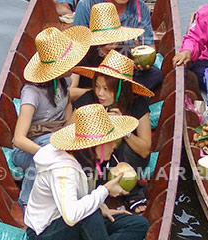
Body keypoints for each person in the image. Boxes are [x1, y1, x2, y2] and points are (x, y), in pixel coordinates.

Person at [23, 103, 150, 240]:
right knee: (90, 214)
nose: (114, 145)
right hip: (45, 231)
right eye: (110, 141)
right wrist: (105, 190)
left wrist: (102, 207)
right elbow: (71, 216)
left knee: (138, 224)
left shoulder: (87, 159)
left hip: (75, 223)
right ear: (94, 146)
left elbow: (85, 194)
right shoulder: (63, 170)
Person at [12, 25, 92, 208]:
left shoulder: (65, 81)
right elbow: (19, 139)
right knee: (50, 149)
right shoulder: (32, 94)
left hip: (55, 139)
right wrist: (50, 152)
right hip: (28, 150)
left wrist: (69, 136)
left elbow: (67, 106)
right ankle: (26, 200)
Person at [72, 50, 154, 214]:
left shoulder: (137, 104)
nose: (100, 93)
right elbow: (69, 136)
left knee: (125, 147)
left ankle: (132, 192)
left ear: (120, 90)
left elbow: (145, 150)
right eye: (97, 87)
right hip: (95, 162)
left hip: (125, 162)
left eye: (106, 89)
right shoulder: (89, 100)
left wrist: (124, 129)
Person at [73, 0, 163, 91]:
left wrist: (143, 62)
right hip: (95, 61)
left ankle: (115, 93)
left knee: (155, 75)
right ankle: (119, 93)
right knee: (81, 73)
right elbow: (77, 45)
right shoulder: (86, 5)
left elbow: (149, 46)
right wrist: (101, 50)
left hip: (126, 61)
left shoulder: (141, 8)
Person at [69, 2, 144, 101]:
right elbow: (71, 92)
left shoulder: (124, 50)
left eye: (116, 41)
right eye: (107, 42)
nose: (112, 46)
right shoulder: (82, 53)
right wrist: (98, 91)